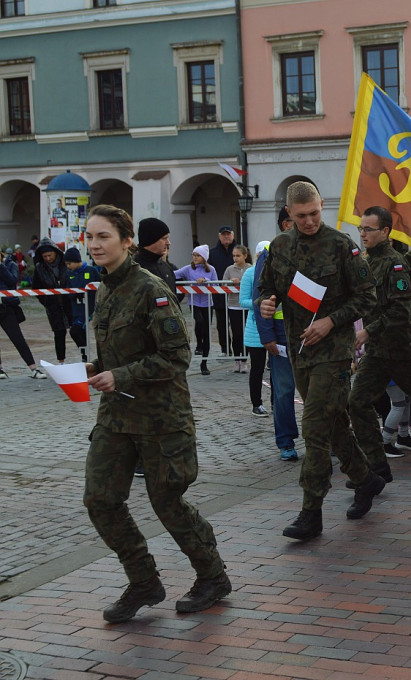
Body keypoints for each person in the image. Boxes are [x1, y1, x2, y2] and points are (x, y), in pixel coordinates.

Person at [81, 204, 230, 623]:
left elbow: (176, 357)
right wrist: (94, 369)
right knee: (100, 499)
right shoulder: (106, 286)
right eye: (89, 237)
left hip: (161, 418)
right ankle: (144, 581)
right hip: (116, 417)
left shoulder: (151, 289)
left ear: (127, 241)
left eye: (103, 236)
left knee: (167, 501)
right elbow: (118, 350)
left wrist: (121, 374)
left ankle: (213, 576)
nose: (94, 245)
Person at [258, 181, 385, 540]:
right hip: (299, 350)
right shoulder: (279, 248)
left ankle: (310, 512)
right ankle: (365, 478)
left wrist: (331, 321)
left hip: (335, 352)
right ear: (289, 214)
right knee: (333, 424)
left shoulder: (342, 245)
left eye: (315, 213)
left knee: (314, 426)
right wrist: (267, 303)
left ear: (322, 206)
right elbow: (268, 288)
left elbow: (367, 298)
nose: (310, 221)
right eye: (301, 216)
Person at [349, 206, 411, 484]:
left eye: (368, 229)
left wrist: (368, 332)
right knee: (357, 402)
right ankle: (376, 467)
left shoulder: (395, 263)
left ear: (385, 231)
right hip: (378, 353)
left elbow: (401, 311)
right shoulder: (365, 261)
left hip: (402, 350)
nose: (362, 234)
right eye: (360, 229)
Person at [253, 208, 299, 461]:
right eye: (299, 218)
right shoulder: (271, 252)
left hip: (312, 331)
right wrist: (267, 335)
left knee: (319, 389)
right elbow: (260, 296)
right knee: (283, 390)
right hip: (281, 334)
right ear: (286, 223)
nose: (308, 222)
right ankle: (286, 440)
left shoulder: (315, 247)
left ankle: (329, 438)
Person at [0, 247, 45, 379]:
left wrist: (1, 268)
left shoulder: (7, 265)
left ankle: (33, 368)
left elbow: (12, 281)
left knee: (18, 338)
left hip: (5, 307)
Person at [32, 237, 75, 363]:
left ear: (55, 252)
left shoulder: (65, 263)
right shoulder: (39, 268)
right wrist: (46, 301)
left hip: (69, 302)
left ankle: (85, 357)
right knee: (59, 333)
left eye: (49, 255)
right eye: (44, 256)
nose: (48, 258)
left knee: (77, 330)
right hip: (53, 305)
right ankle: (61, 361)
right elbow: (36, 288)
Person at [173, 246, 215, 376]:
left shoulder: (211, 269)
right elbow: (175, 274)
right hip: (194, 302)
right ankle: (199, 345)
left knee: (206, 330)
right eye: (193, 255)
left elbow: (217, 284)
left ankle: (204, 363)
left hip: (208, 303)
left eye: (198, 255)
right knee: (200, 321)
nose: (195, 258)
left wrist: (206, 280)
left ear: (204, 257)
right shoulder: (188, 268)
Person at [239, 242, 270, 418]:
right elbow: (242, 300)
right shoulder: (250, 274)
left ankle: (276, 402)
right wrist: (261, 304)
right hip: (255, 327)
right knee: (257, 369)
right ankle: (256, 403)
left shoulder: (276, 272)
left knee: (276, 369)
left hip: (275, 326)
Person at [65, 247, 100, 362]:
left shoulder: (91, 271)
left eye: (69, 263)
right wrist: (75, 294)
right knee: (77, 332)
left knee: (76, 330)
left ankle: (88, 356)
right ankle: (85, 356)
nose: (68, 266)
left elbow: (101, 286)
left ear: (76, 261)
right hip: (76, 309)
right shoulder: (69, 275)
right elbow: (67, 291)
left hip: (90, 309)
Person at [207, 226, 236, 355]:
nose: (226, 237)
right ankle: (225, 349)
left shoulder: (239, 251)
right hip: (219, 296)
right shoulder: (212, 253)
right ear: (219, 236)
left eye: (228, 234)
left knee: (237, 325)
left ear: (233, 235)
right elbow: (207, 270)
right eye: (224, 235)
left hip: (236, 296)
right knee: (222, 325)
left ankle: (239, 349)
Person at [223, 245, 252, 373]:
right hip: (234, 305)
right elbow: (222, 284)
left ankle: (244, 360)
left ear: (245, 256)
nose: (235, 258)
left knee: (246, 334)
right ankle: (237, 359)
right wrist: (230, 282)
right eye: (234, 255)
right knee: (237, 334)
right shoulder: (229, 269)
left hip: (247, 305)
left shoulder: (250, 269)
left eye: (238, 255)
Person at [135, 218, 178, 298]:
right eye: (164, 238)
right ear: (151, 240)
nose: (168, 243)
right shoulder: (133, 268)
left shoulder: (166, 267)